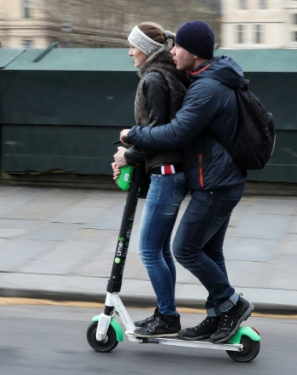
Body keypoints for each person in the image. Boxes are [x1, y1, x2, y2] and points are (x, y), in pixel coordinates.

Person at [119, 20, 254, 344]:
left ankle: (230, 305)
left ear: (192, 51)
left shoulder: (206, 87)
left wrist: (130, 138)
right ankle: (217, 314)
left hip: (216, 182)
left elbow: (175, 132)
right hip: (219, 178)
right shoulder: (204, 79)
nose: (172, 50)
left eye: (177, 46)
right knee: (208, 249)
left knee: (183, 248)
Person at [111, 22, 189, 338]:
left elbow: (158, 134)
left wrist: (127, 155)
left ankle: (167, 317)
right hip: (172, 173)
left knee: (148, 251)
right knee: (161, 250)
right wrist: (131, 146)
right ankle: (165, 313)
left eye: (133, 46)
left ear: (145, 48)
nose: (130, 52)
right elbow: (157, 130)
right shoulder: (167, 74)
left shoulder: (155, 79)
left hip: (166, 175)